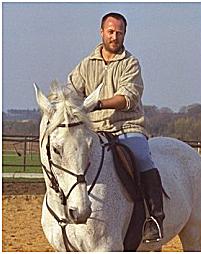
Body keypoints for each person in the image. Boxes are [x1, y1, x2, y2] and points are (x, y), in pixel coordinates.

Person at [67, 12, 165, 243]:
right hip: (96, 128)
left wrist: (98, 103)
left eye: (119, 32)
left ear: (124, 34)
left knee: (142, 159)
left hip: (127, 126)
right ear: (101, 32)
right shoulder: (86, 64)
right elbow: (72, 90)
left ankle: (155, 219)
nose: (115, 36)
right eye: (110, 31)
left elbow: (127, 97)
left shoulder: (131, 63)